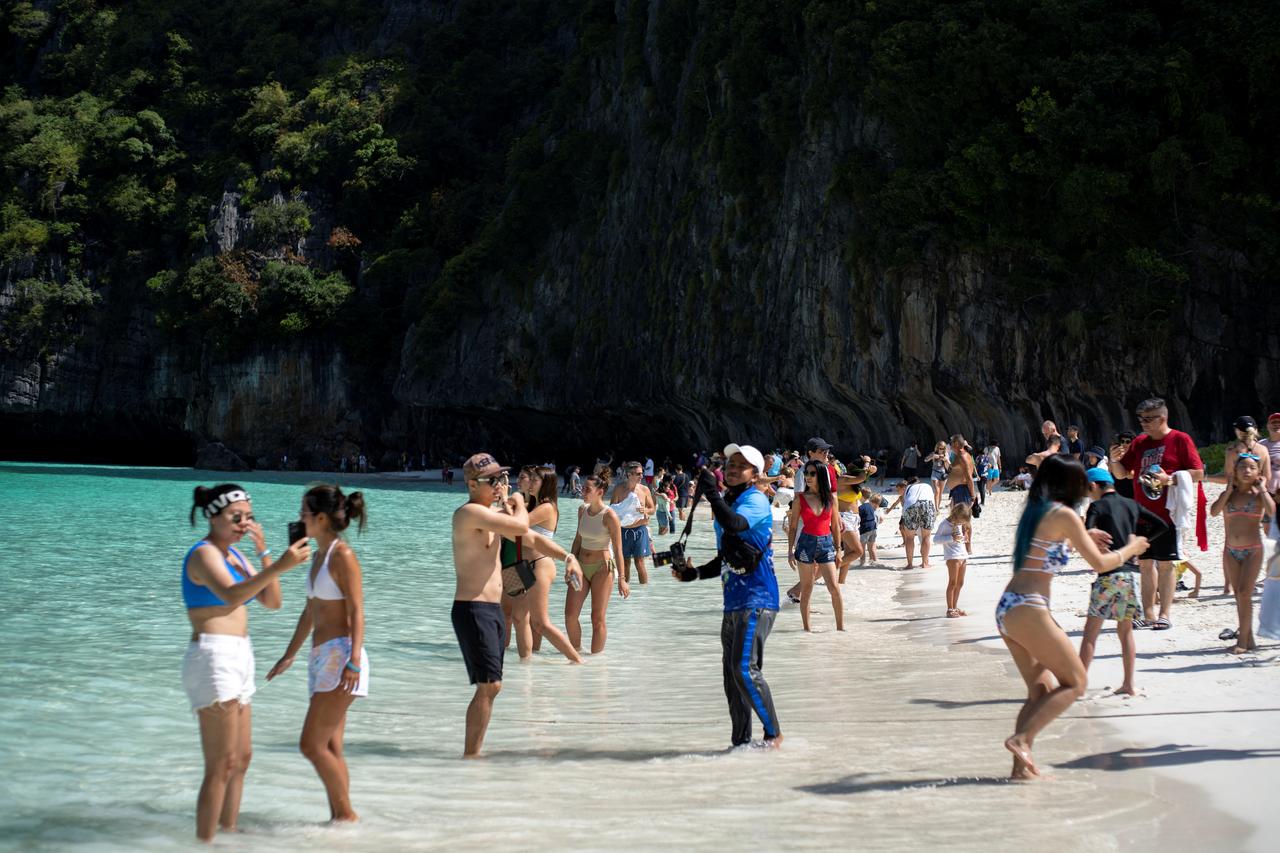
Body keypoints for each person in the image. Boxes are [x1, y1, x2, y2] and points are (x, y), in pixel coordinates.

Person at [997, 456, 1148, 779]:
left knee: (1040, 692)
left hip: (1009, 607)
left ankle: (1020, 770)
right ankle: (1021, 740)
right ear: (1073, 484)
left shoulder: (1036, 509)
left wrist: (1080, 535)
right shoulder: (1064, 514)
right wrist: (1132, 548)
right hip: (1029, 607)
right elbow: (1102, 564)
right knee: (1076, 682)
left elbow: (1048, 543)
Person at [181, 484, 309, 841]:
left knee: (241, 758)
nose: (243, 523)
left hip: (240, 655)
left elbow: (272, 601)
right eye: (236, 517)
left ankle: (229, 834)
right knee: (219, 764)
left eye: (249, 518)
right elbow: (233, 595)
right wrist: (281, 565)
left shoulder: (236, 556)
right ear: (213, 517)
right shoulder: (203, 554)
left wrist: (266, 552)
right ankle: (204, 842)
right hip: (212, 656)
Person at [266, 485, 370, 823]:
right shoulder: (317, 556)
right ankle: (339, 821)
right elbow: (309, 613)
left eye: (304, 513)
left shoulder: (342, 555)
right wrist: (289, 655)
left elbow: (357, 611)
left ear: (322, 518)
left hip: (342, 658)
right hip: (321, 657)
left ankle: (347, 815)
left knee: (311, 745)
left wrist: (354, 660)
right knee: (331, 747)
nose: (299, 519)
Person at [673, 444, 782, 749]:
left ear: (755, 474)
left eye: (741, 466)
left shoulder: (755, 500)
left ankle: (774, 735)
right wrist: (693, 574)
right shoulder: (731, 502)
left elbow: (736, 525)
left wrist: (712, 494)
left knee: (744, 669)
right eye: (730, 464)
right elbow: (727, 557)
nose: (732, 469)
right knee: (731, 678)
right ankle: (740, 743)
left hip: (758, 598)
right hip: (732, 600)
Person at [450, 453, 530, 757]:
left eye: (501, 478)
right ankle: (471, 755)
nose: (499, 485)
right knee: (489, 685)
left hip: (492, 608)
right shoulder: (469, 513)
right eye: (492, 480)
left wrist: (567, 558)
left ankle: (474, 752)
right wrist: (519, 503)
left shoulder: (490, 514)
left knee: (492, 686)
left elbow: (522, 536)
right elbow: (521, 528)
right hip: (472, 608)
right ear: (472, 484)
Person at [1108, 398, 1205, 631]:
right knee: (1145, 564)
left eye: (1148, 419)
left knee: (1166, 565)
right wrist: (1113, 459)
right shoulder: (1140, 442)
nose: (1143, 424)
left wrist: (1170, 479)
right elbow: (1122, 474)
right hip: (1141, 514)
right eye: (1141, 419)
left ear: (1163, 418)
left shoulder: (1180, 439)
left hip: (1167, 513)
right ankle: (1148, 613)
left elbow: (1198, 473)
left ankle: (1165, 613)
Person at [1079, 468, 1168, 696]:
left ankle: (1078, 686)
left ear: (1094, 486)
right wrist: (1140, 544)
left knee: (1091, 632)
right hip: (1129, 576)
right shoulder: (1131, 504)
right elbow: (1162, 525)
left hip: (1107, 574)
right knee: (1125, 631)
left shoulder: (1097, 507)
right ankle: (1129, 684)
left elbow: (1088, 532)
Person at [511, 466, 585, 663]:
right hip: (524, 565)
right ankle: (528, 663)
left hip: (540, 563)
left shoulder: (546, 507)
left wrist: (513, 499)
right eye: (531, 479)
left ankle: (577, 660)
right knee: (519, 617)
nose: (531, 483)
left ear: (546, 484)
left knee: (540, 623)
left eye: (535, 480)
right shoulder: (533, 504)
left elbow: (518, 524)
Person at [1210, 454, 1275, 654]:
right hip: (1230, 550)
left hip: (1253, 550)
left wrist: (1263, 488)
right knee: (1239, 595)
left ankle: (1243, 642)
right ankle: (1249, 639)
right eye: (1242, 467)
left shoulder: (1259, 495)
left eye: (1251, 467)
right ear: (1235, 472)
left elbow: (1272, 512)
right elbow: (1213, 512)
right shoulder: (1229, 494)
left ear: (1259, 472)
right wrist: (1228, 489)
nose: (1247, 471)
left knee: (1245, 593)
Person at [568, 468, 630, 653]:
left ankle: (595, 664)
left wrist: (622, 579)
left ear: (600, 492)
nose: (583, 492)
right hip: (579, 566)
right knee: (570, 616)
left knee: (597, 618)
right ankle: (576, 654)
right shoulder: (582, 510)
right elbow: (578, 539)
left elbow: (619, 549)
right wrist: (570, 564)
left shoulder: (609, 516)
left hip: (602, 568)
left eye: (587, 489)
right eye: (583, 488)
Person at [786, 459, 843, 632]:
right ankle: (807, 630)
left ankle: (841, 629)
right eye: (806, 474)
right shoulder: (800, 499)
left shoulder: (831, 499)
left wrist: (839, 550)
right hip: (805, 544)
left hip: (826, 544)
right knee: (807, 588)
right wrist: (790, 551)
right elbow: (794, 526)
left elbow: (835, 526)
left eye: (812, 473)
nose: (808, 477)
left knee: (834, 588)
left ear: (820, 476)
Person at [610, 462, 656, 584]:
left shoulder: (645, 490)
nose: (642, 476)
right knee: (625, 564)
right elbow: (612, 511)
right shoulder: (619, 489)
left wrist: (645, 510)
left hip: (640, 530)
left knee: (639, 563)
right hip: (623, 531)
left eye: (642, 473)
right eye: (638, 474)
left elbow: (652, 509)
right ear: (629, 474)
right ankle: (626, 594)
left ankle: (643, 593)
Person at [886, 476, 935, 569]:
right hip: (928, 504)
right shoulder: (927, 485)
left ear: (908, 483)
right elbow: (933, 501)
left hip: (911, 505)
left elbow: (906, 502)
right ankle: (925, 563)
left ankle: (910, 564)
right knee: (926, 536)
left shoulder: (908, 488)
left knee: (909, 538)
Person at [933, 503, 970, 617]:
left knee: (960, 583)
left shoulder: (959, 524)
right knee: (952, 582)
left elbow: (960, 538)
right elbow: (936, 539)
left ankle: (955, 606)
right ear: (956, 515)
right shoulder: (945, 524)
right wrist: (951, 538)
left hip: (962, 555)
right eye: (961, 521)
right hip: (952, 556)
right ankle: (950, 609)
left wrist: (965, 538)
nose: (961, 523)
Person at [1223, 416, 1273, 490]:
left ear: (1237, 430)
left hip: (1239, 493)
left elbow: (1229, 476)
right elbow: (1267, 477)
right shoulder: (1263, 449)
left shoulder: (1232, 450)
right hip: (1258, 493)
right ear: (1255, 430)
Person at [924, 441, 950, 505]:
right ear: (937, 448)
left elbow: (949, 465)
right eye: (939, 448)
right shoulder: (934, 453)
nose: (941, 450)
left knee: (940, 492)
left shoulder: (946, 454)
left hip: (943, 474)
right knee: (937, 491)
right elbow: (925, 460)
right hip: (934, 473)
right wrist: (931, 457)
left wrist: (946, 460)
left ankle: (938, 506)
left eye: (942, 448)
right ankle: (936, 508)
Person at [858, 492, 880, 565]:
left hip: (865, 528)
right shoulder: (872, 507)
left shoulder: (861, 507)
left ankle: (862, 563)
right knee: (872, 547)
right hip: (873, 528)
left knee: (862, 547)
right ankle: (874, 561)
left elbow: (858, 519)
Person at [1262, 413, 1280, 498]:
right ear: (1268, 426)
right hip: (1264, 492)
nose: (1277, 424)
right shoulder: (1260, 444)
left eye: (1279, 422)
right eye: (1274, 422)